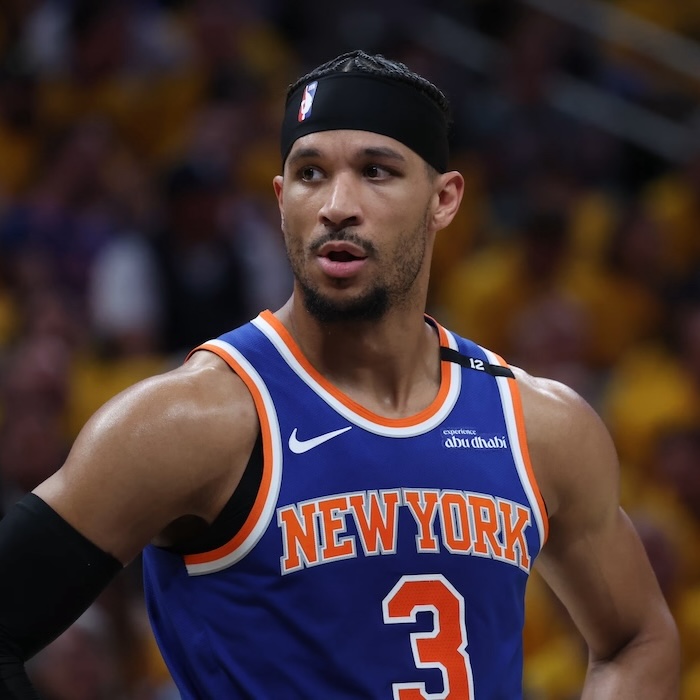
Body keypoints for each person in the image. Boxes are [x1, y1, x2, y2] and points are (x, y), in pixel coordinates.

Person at [0, 49, 679, 699]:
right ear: (280, 197)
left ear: (444, 199)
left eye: (376, 171)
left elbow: (639, 639)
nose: (336, 205)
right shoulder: (191, 421)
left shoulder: (538, 425)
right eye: (311, 173)